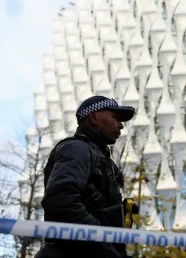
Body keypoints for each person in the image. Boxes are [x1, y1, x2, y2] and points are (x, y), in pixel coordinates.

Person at [35, 96, 136, 258]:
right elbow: (61, 203)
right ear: (94, 118)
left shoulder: (100, 157)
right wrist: (105, 246)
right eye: (115, 118)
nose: (121, 125)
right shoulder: (77, 149)